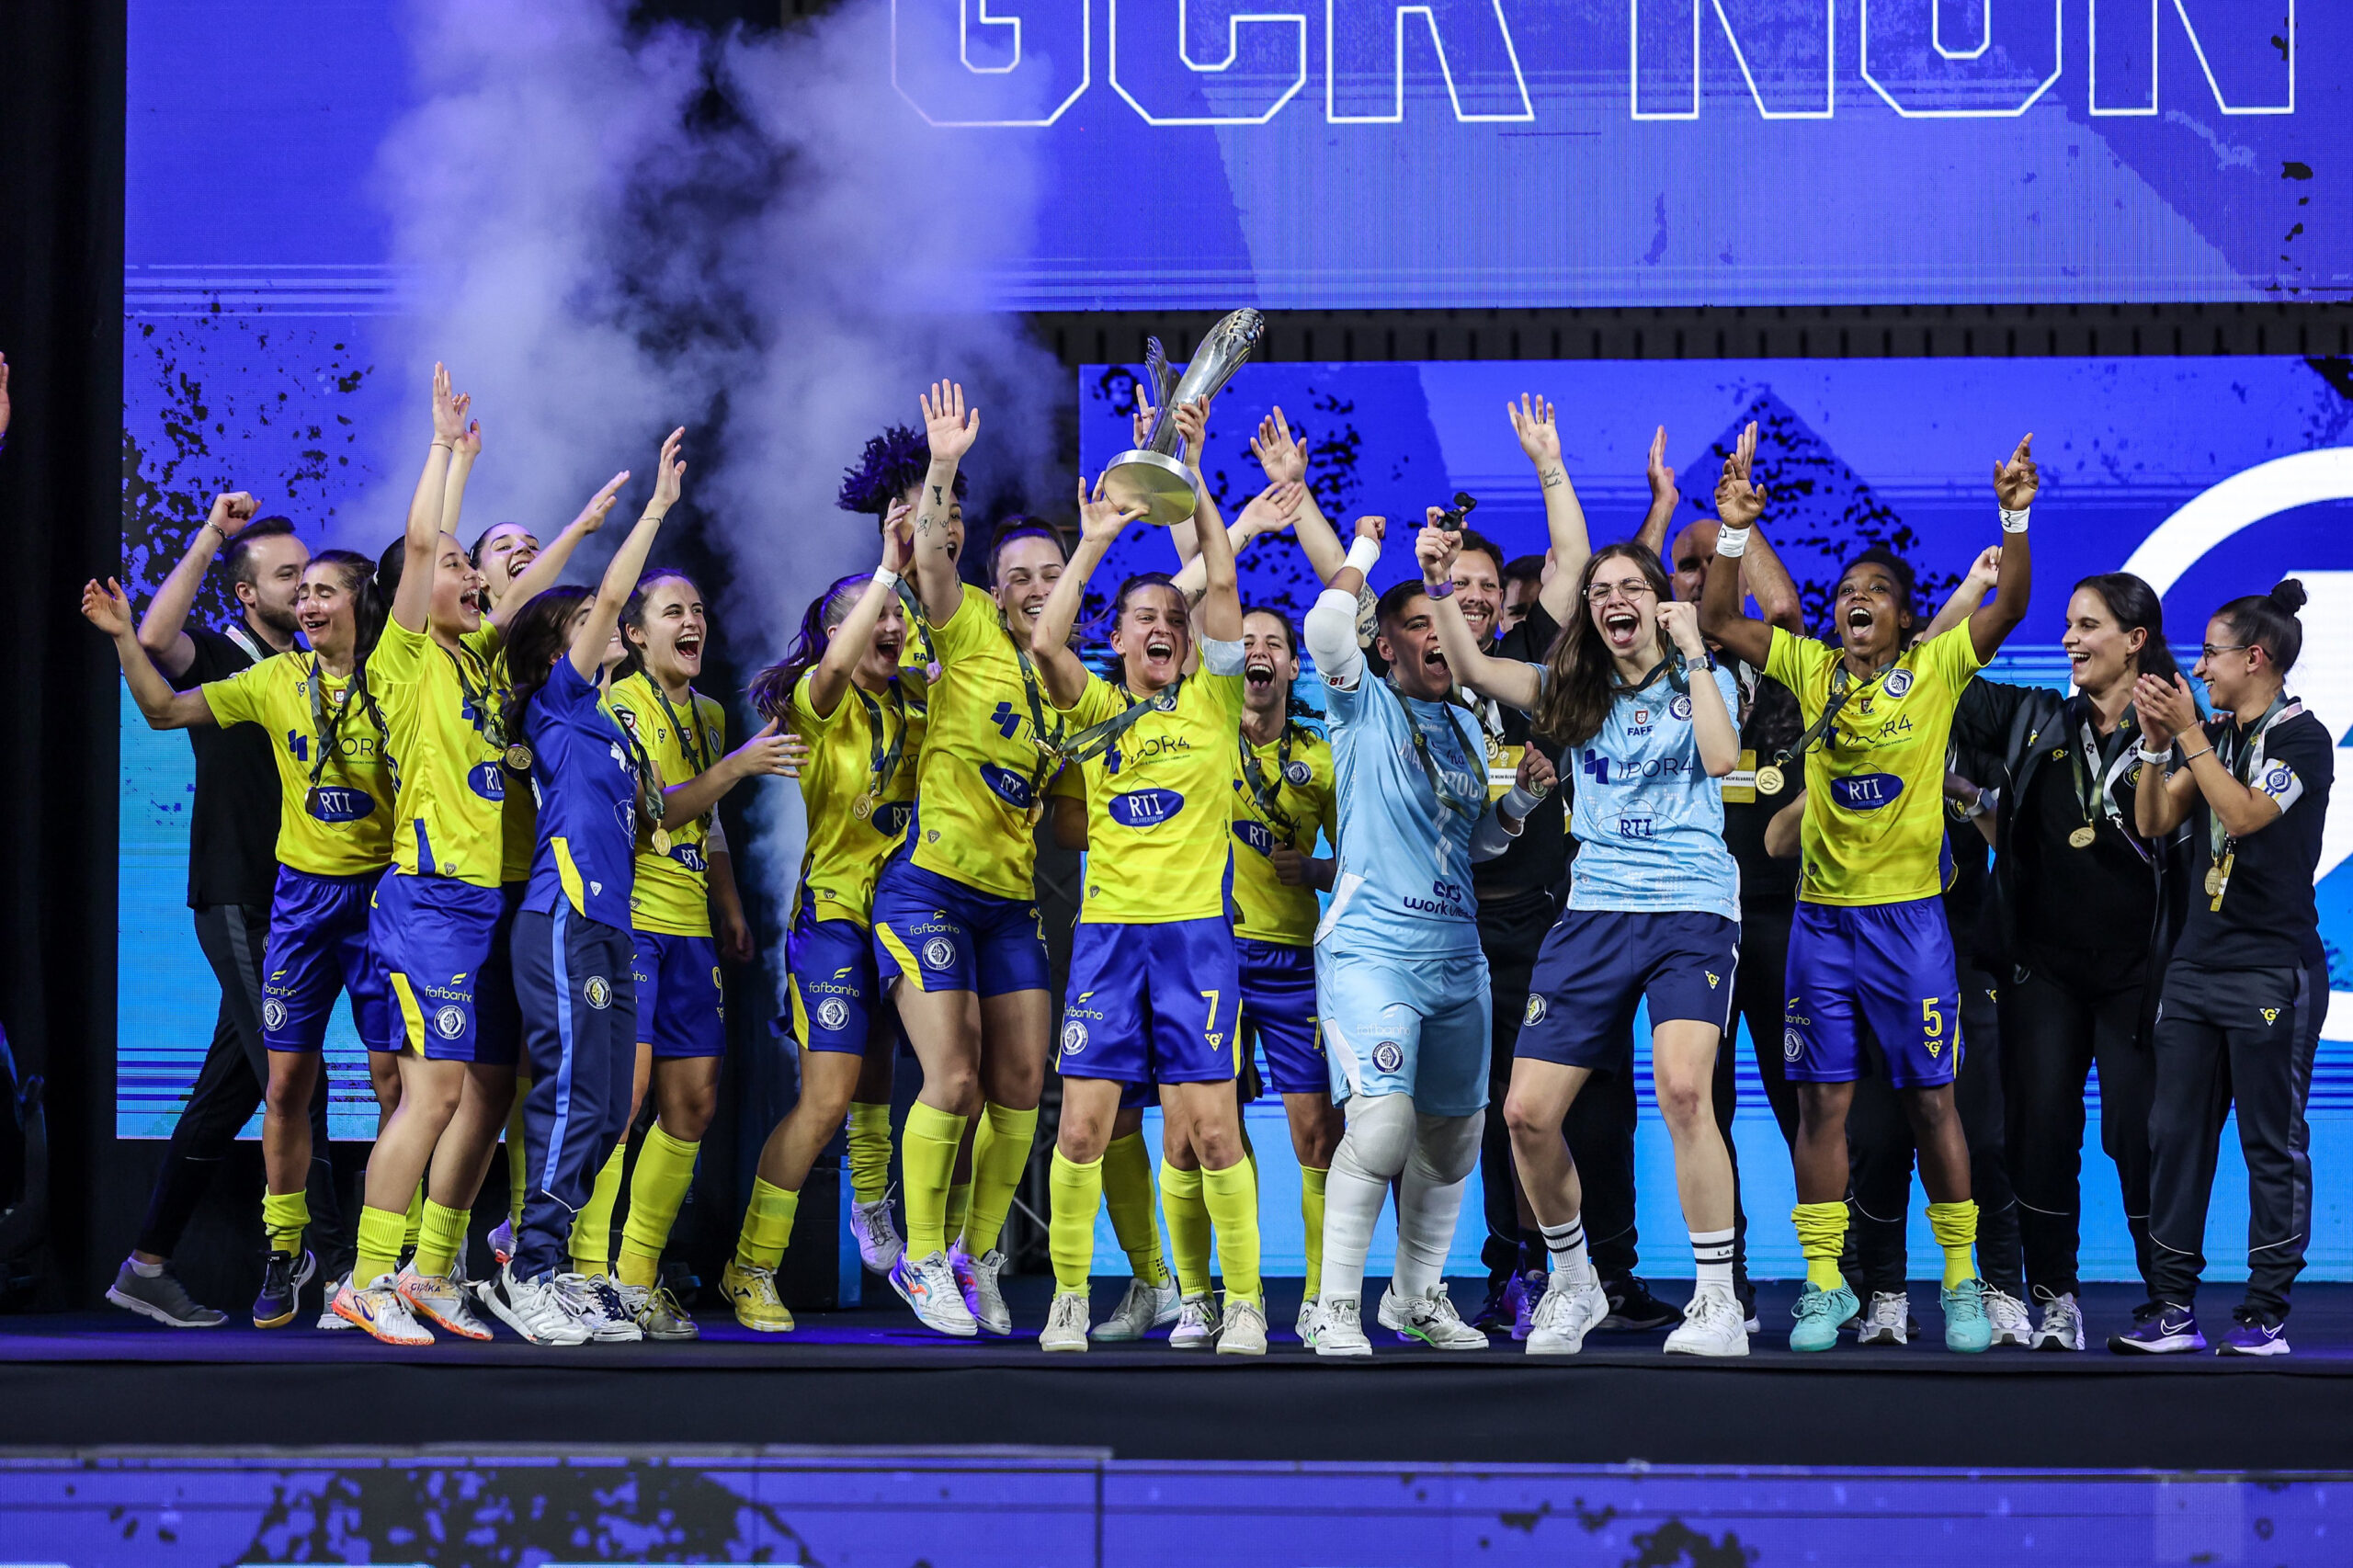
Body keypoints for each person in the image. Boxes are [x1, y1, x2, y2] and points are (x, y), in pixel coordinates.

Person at [1699, 430, 2039, 1354]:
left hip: (1912, 926)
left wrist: (2013, 518)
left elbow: (2010, 601)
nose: (1858, 597)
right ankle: (1824, 1287)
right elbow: (1720, 619)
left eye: (1877, 590)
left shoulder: (1936, 671)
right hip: (1820, 928)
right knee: (1822, 1108)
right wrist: (1733, 533)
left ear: (1902, 617)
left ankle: (1960, 1282)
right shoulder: (1809, 667)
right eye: (1848, 589)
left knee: (1934, 1105)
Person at [1420, 527, 1747, 1357]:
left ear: (1661, 603)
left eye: (1631, 588)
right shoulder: (1572, 690)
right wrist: (1438, 586)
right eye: (1600, 592)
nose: (1614, 602)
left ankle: (1716, 1301)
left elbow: (1721, 757)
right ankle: (1573, 1282)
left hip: (1690, 909)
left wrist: (1695, 651)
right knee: (1525, 1114)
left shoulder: (1703, 678)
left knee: (1684, 1092)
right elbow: (1472, 669)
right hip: (1594, 912)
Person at [88, 545, 400, 1329]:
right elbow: (161, 689)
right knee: (297, 1083)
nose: (306, 595)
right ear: (248, 592)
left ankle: (146, 1265)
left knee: (230, 1090)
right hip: (252, 903)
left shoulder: (382, 674)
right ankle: (331, 1268)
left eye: (320, 584)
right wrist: (125, 635)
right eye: (293, 580)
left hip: (337, 901)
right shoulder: (247, 665)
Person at [1029, 453, 1269, 1355]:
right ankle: (1066, 1298)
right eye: (1146, 618)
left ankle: (1243, 1303)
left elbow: (1223, 580)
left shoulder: (1213, 699)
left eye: (1174, 617)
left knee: (1212, 1132)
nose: (1164, 626)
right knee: (1082, 1128)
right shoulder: (1094, 704)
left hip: (1194, 941)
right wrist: (1093, 541)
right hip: (1105, 940)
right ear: (1121, 640)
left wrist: (1193, 480)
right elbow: (1045, 645)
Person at [327, 366, 546, 1345]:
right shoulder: (406, 658)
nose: (468, 573)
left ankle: (431, 1270)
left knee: (490, 1091)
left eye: (471, 566)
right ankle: (365, 1276)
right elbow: (424, 545)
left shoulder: (481, 662)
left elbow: (501, 583)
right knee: (435, 1091)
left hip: (496, 901)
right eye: (456, 566)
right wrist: (444, 451)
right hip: (432, 901)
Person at [1301, 517, 1541, 1359]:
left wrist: (1519, 805)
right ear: (1387, 647)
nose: (1439, 633)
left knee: (1456, 1137)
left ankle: (1414, 1298)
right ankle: (1333, 1307)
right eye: (1416, 624)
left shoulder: (1471, 726)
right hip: (1373, 949)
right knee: (1381, 1128)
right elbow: (1325, 627)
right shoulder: (1358, 703)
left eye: (1443, 623)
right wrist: (1365, 553)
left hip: (1456, 956)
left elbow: (1474, 844)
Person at [476, 428, 685, 1346]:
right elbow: (607, 597)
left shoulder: (612, 720)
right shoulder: (558, 701)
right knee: (570, 1094)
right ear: (559, 647)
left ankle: (541, 1253)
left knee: (608, 1108)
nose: (604, 625)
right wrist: (654, 511)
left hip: (613, 925)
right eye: (587, 624)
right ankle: (527, 1272)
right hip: (560, 918)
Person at [870, 381, 1067, 1336]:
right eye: (1019, 573)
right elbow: (930, 555)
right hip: (928, 892)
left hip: (1009, 903)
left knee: (1020, 1084)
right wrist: (944, 466)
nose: (1034, 587)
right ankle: (919, 1256)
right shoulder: (968, 620)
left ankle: (974, 1252)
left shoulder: (1073, 679)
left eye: (1051, 573)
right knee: (951, 1078)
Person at [1941, 573, 2183, 1350]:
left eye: (2087, 626)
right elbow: (1929, 673)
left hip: (2139, 974)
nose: (2069, 639)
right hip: (2040, 970)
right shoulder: (2034, 717)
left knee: (2139, 1135)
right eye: (2069, 625)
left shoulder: (2184, 731)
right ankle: (2055, 1299)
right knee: (2039, 1134)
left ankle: (2167, 1298)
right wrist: (1979, 583)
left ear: (2135, 640)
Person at [2115, 581, 2333, 1356]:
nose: (2200, 667)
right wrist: (2154, 746)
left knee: (2270, 1142)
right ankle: (2172, 1307)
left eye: (2211, 653)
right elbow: (2153, 820)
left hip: (2272, 969)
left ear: (2255, 658)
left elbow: (2243, 816)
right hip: (2195, 966)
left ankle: (2265, 1313)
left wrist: (2190, 738)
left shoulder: (2303, 738)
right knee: (2173, 1135)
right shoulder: (2216, 734)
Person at [722, 513, 924, 1334]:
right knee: (828, 1098)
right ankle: (751, 1266)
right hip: (834, 916)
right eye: (877, 613)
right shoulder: (819, 697)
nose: (892, 623)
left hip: (907, 915)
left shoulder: (921, 700)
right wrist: (886, 568)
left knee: (896, 1074)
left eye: (900, 613)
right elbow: (838, 665)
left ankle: (874, 1201)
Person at [595, 565, 796, 1335]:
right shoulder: (617, 705)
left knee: (693, 1106)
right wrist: (738, 764)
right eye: (673, 611)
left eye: (699, 609)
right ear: (635, 634)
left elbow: (705, 824)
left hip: (690, 930)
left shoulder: (708, 713)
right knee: (623, 1104)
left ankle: (637, 1274)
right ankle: (586, 1273)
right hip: (630, 923)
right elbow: (654, 812)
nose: (693, 621)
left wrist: (731, 908)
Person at [1636, 423, 1807, 1328]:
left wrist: (1734, 523)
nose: (1698, 578)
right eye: (1686, 566)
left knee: (1803, 1099)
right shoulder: (1647, 666)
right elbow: (1621, 586)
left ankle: (1837, 1275)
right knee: (1702, 1102)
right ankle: (1723, 1284)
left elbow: (1781, 605)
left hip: (1776, 913)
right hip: (1687, 915)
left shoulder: (1765, 660)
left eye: (1711, 567)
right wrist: (1675, 522)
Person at [1228, 604, 1341, 1342]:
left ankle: (1321, 1298)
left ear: (1294, 668)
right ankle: (1232, 1296)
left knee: (1317, 1137)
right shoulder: (1201, 738)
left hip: (1295, 963)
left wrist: (1317, 869)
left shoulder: (1322, 758)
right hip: (1210, 956)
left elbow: (1362, 858)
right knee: (1211, 1132)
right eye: (1246, 641)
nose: (1259, 650)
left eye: (1274, 642)